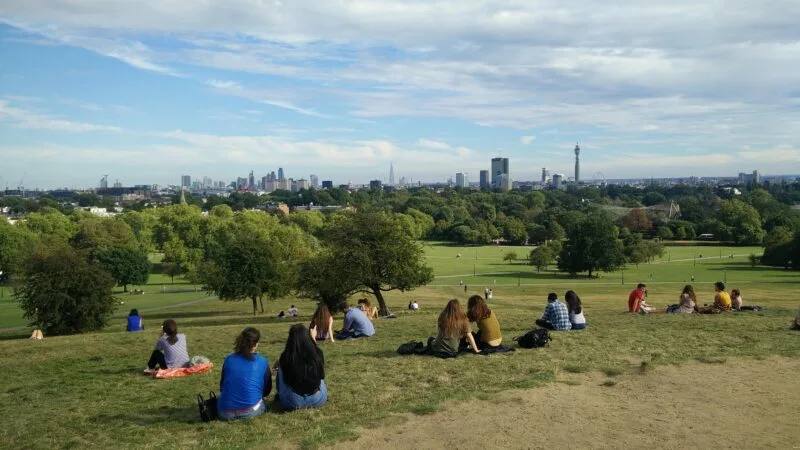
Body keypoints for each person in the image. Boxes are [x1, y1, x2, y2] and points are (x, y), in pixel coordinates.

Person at [217, 327, 271, 420]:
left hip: (224, 412)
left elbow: (222, 386)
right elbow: (267, 389)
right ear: (255, 344)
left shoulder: (229, 359)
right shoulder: (262, 361)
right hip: (250, 411)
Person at [276, 324, 327, 410]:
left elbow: (286, 379)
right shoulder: (317, 353)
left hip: (292, 402)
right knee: (319, 376)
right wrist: (313, 339)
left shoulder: (286, 356)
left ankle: (280, 393)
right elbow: (321, 376)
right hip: (317, 399)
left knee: (280, 369)